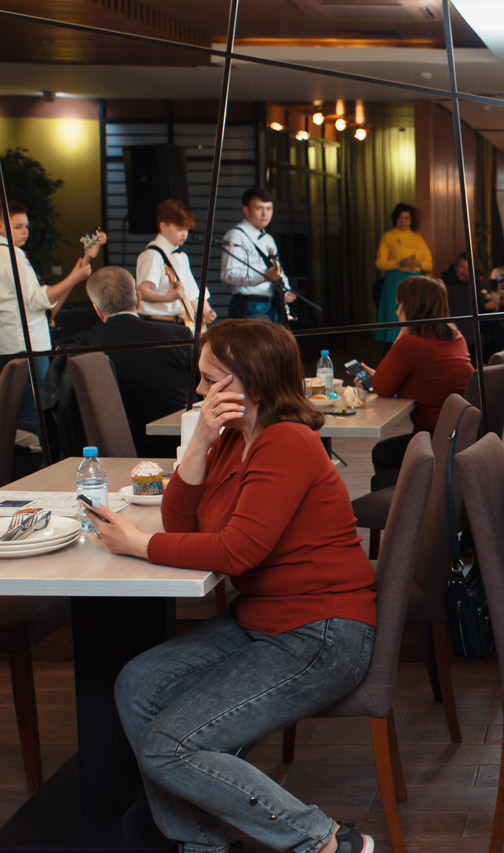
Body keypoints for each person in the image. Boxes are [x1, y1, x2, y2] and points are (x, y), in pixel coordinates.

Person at [89, 319, 378, 853]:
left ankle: (323, 840)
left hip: (323, 633)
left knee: (168, 746)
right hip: (263, 618)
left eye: (209, 379)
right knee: (137, 683)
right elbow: (181, 523)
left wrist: (137, 544)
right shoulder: (232, 439)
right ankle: (202, 843)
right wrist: (200, 441)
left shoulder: (286, 441)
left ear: (251, 383)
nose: (199, 391)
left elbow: (235, 551)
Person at [57, 266, 192, 458]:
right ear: (138, 299)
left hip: (118, 459)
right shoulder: (180, 336)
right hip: (183, 450)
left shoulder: (81, 347)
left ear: (97, 309)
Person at [358, 276, 474, 473]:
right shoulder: (456, 337)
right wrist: (383, 376)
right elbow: (420, 378)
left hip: (432, 443)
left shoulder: (410, 344)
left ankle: (410, 493)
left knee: (382, 452)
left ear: (411, 306)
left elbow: (382, 388)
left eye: (399, 304)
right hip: (461, 437)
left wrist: (403, 331)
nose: (396, 311)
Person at [1, 201, 93, 432]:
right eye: (18, 226)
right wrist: (74, 279)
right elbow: (36, 300)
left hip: (15, 344)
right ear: (1, 226)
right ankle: (34, 456)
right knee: (33, 414)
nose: (25, 231)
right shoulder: (10, 256)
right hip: (26, 346)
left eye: (26, 226)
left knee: (21, 413)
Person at [136, 199, 216, 328]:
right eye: (179, 229)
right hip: (158, 323)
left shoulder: (181, 256)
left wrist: (206, 311)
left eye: (186, 229)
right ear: (163, 226)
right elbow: (143, 291)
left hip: (180, 323)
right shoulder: (153, 255)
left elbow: (189, 292)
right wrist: (167, 297)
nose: (184, 234)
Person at [221, 187, 294, 323]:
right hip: (249, 304)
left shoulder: (268, 238)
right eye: (259, 208)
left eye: (269, 208)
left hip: (272, 303)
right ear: (246, 210)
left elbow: (277, 270)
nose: (265, 214)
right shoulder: (236, 235)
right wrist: (264, 276)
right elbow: (228, 274)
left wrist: (286, 289)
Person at [374, 202, 433, 345]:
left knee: (414, 313)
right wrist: (398, 263)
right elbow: (380, 263)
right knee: (396, 314)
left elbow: (429, 264)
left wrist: (418, 263)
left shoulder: (417, 238)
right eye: (400, 218)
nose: (403, 221)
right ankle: (392, 346)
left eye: (407, 218)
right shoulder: (388, 236)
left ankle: (414, 344)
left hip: (414, 281)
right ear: (395, 219)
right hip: (395, 280)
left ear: (411, 220)